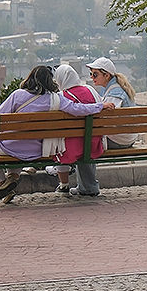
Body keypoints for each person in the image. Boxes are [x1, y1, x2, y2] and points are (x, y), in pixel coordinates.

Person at [0, 65, 112, 203]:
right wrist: (100, 106)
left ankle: (2, 184)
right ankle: (12, 178)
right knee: (19, 149)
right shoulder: (56, 99)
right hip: (40, 150)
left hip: (15, 147)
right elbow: (77, 109)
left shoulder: (17, 95)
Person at [48, 64, 107, 197]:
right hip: (94, 143)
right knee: (86, 137)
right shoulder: (90, 90)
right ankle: (88, 186)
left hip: (72, 148)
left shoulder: (60, 96)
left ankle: (60, 177)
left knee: (69, 140)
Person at [88, 57, 139, 148]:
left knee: (84, 143)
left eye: (95, 74)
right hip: (127, 137)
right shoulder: (113, 88)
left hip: (120, 140)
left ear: (106, 75)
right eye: (91, 74)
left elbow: (105, 119)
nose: (91, 77)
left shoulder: (115, 94)